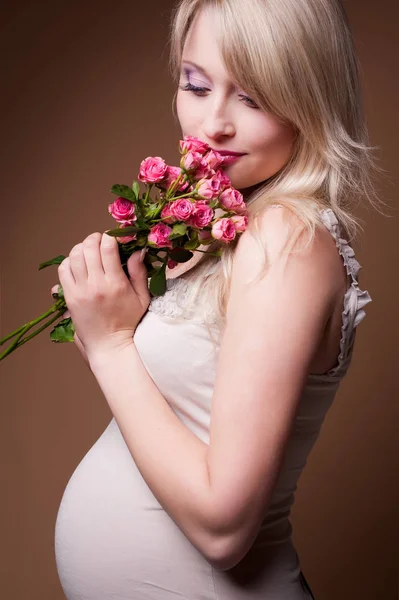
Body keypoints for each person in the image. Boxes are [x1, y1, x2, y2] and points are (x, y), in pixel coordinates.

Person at [53, 0, 379, 598]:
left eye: (253, 98)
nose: (213, 125)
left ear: (311, 100)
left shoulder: (288, 238)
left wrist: (110, 346)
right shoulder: (236, 223)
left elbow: (224, 529)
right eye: (196, 85)